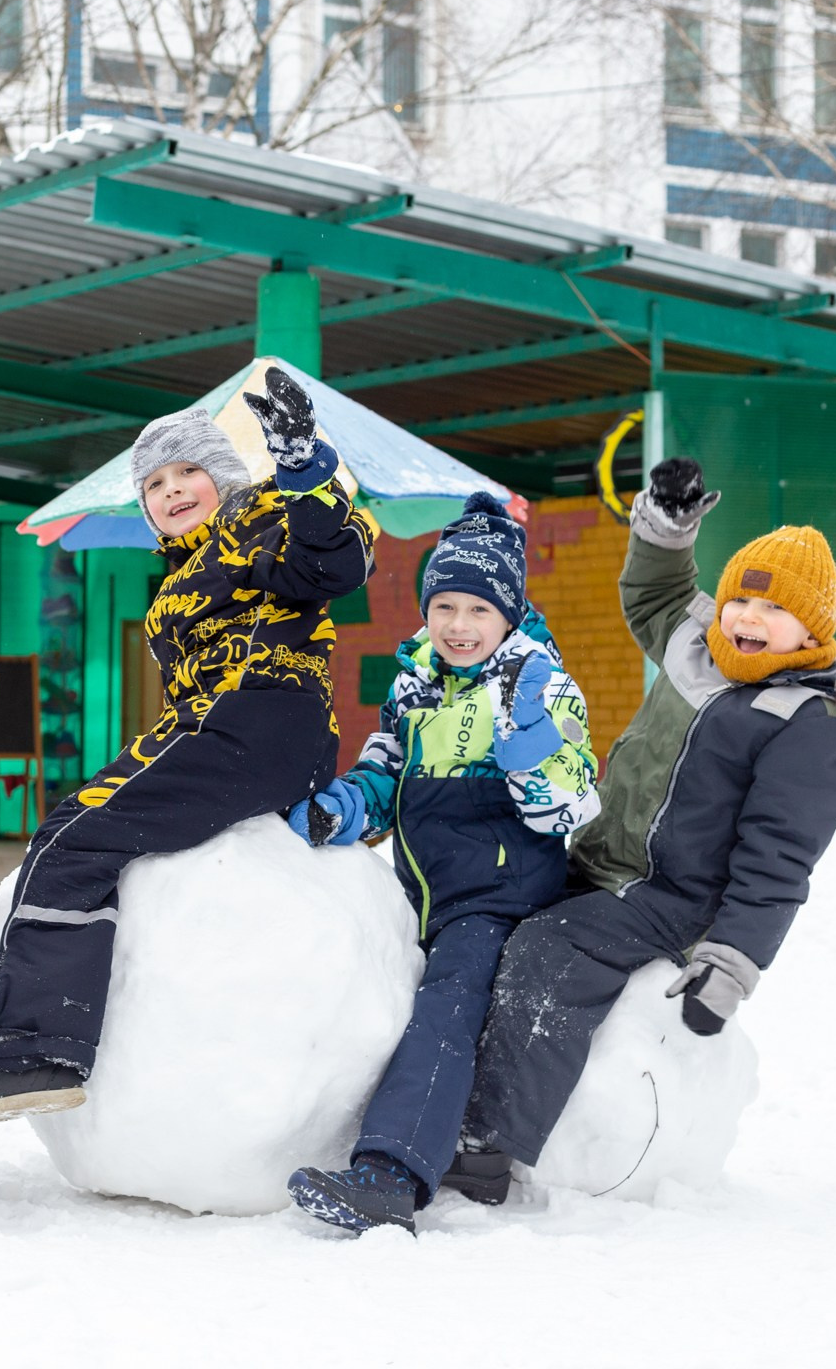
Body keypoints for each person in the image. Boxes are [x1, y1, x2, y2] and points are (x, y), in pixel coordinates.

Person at [452, 458, 836, 1204]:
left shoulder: (812, 722)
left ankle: (485, 1150)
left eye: (773, 612)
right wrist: (668, 526)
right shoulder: (698, 647)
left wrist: (730, 967)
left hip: (675, 897)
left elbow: (779, 860)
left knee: (546, 953)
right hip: (598, 859)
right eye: (739, 601)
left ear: (812, 630)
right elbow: (657, 589)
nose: (747, 621)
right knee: (481, 910)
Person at [0, 367, 378, 1124]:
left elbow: (332, 562)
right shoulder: (180, 571)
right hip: (213, 724)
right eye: (155, 484)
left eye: (188, 472)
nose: (172, 491)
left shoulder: (259, 518)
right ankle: (30, 975)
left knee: (80, 842)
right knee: (68, 818)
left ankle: (39, 1055)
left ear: (226, 476)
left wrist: (304, 470)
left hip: (267, 718)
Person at [281, 491, 599, 1235]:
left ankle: (390, 1175)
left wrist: (526, 748)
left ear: (510, 612)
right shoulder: (415, 681)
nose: (459, 626)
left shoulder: (538, 684)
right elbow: (387, 772)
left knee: (445, 1012)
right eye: (445, 606)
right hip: (424, 889)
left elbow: (572, 809)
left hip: (497, 890)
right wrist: (347, 808)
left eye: (478, 611)